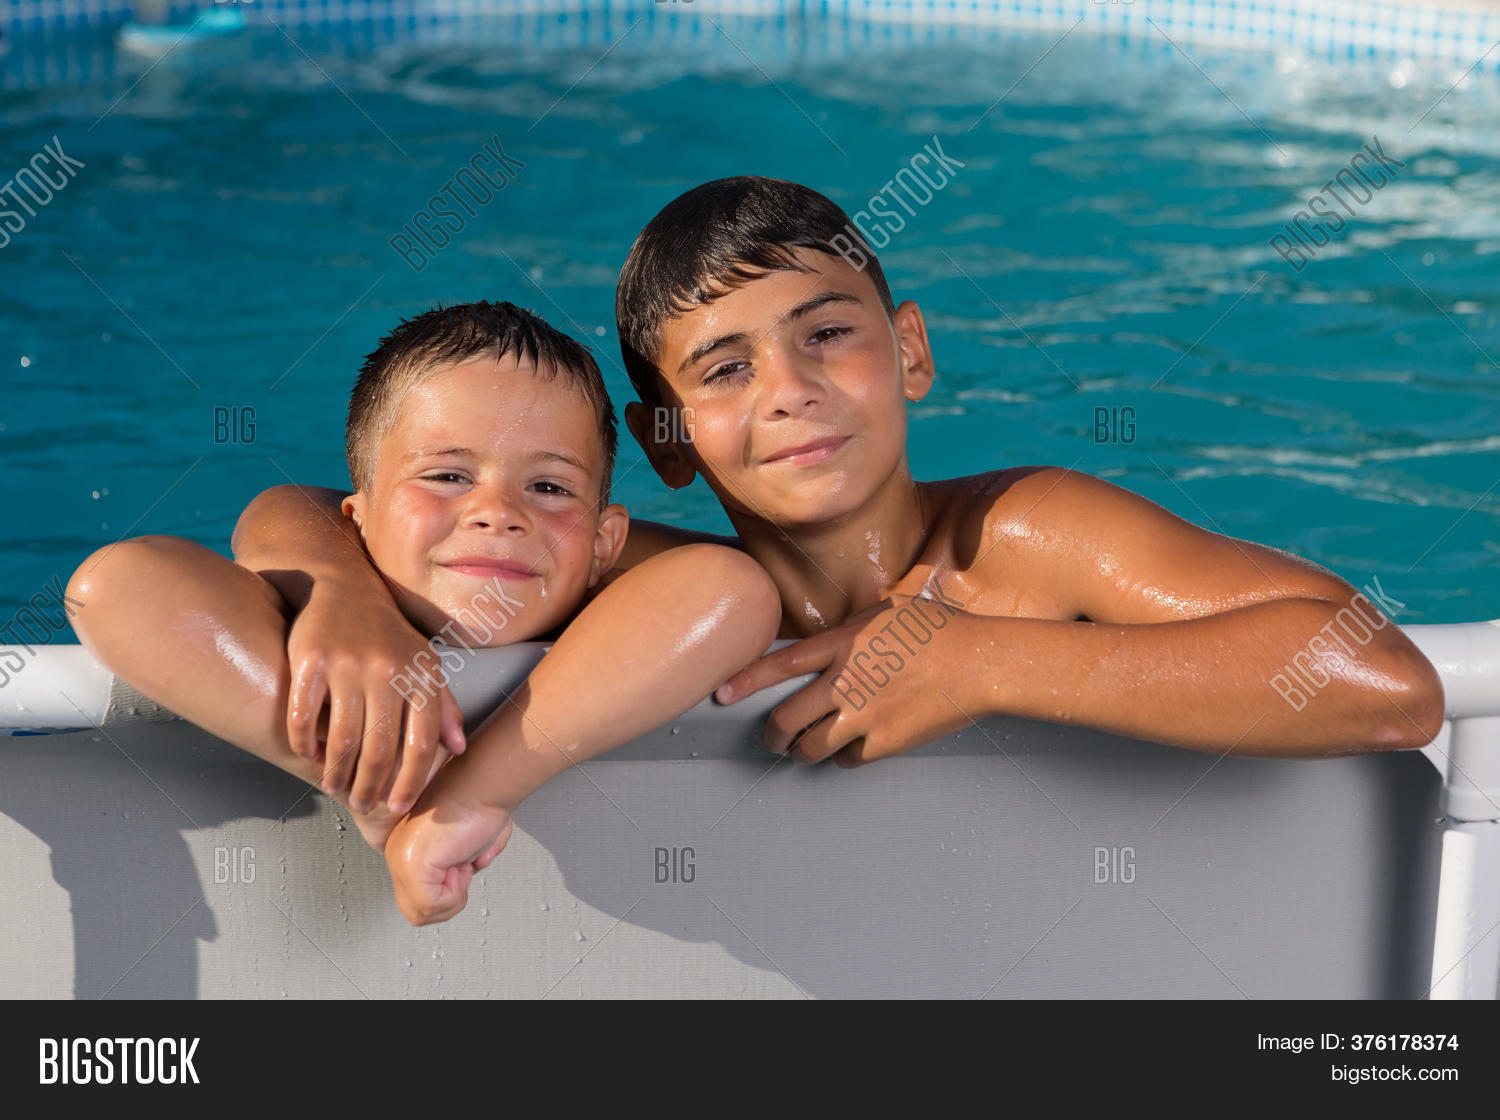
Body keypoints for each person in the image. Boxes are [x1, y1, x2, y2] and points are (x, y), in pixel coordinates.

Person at [233, 177, 1445, 772]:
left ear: (907, 350)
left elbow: (1382, 680)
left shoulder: (1022, 541)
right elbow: (309, 509)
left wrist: (983, 658)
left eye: (828, 334)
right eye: (722, 369)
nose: (787, 390)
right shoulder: (658, 585)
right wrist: (336, 590)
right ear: (665, 442)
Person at [68, 300, 779, 924]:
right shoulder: (317, 620)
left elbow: (733, 590)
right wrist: (341, 602)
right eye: (447, 476)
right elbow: (113, 586)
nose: (498, 513)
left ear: (604, 546)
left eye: (550, 487)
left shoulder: (617, 627)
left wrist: (458, 805)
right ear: (357, 522)